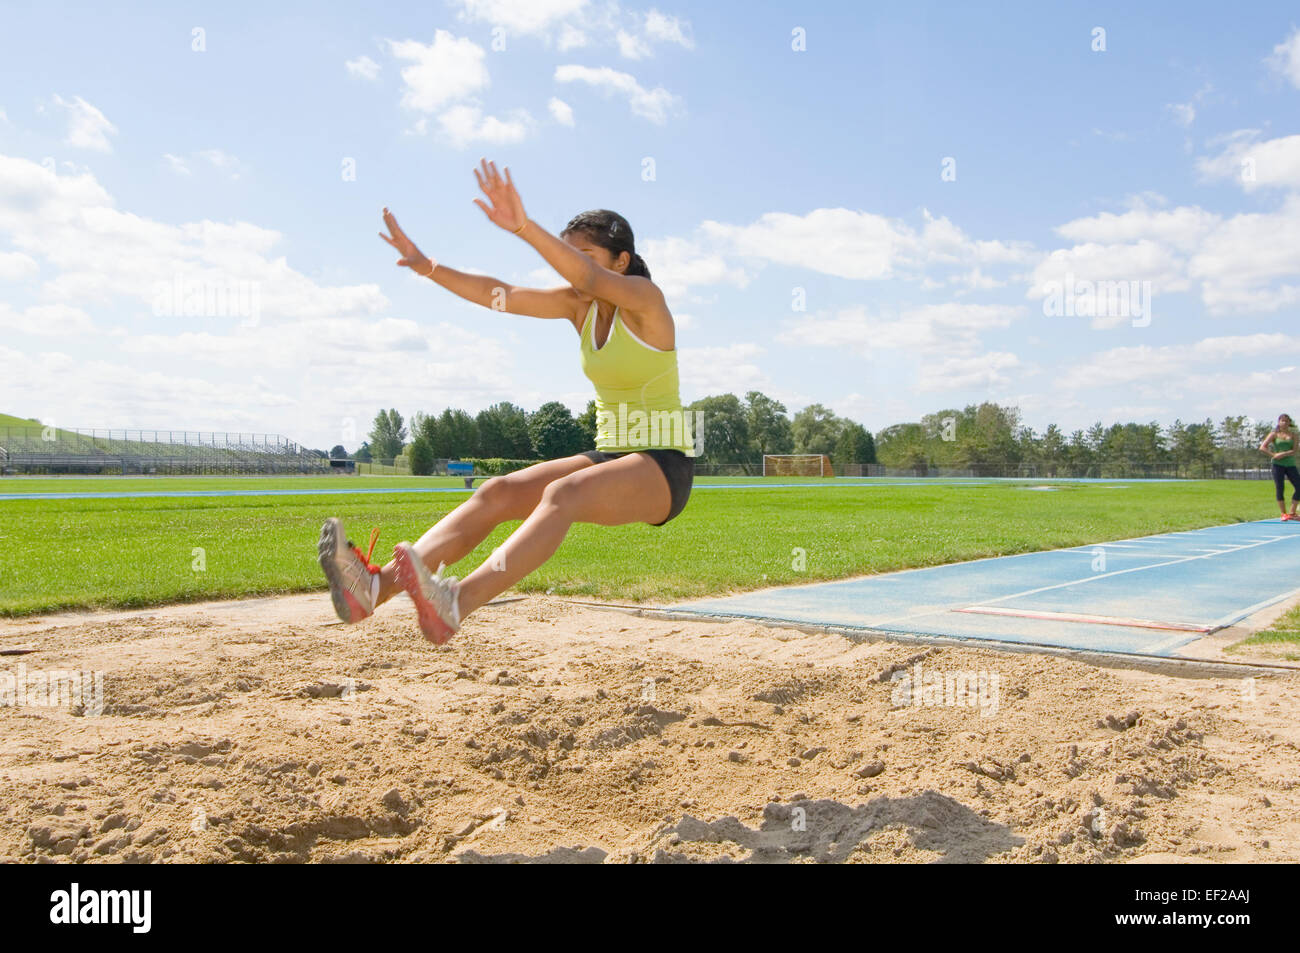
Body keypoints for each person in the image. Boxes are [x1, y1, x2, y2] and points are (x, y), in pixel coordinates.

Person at [318, 159, 697, 643]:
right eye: (566, 252)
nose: (570, 263)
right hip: (611, 453)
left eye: (581, 254)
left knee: (563, 495)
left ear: (621, 260)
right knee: (497, 491)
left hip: (663, 466)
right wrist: (429, 267)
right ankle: (374, 588)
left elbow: (588, 277)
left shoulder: (646, 300)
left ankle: (457, 602)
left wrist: (522, 226)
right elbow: (503, 295)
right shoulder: (577, 307)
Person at [1259, 413, 1300, 520]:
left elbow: (1295, 450)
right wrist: (1274, 455)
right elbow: (1262, 447)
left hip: (1290, 464)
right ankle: (1284, 514)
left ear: (1289, 423)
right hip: (1277, 465)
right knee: (1280, 488)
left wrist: (1284, 454)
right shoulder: (1274, 434)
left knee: (1299, 487)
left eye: (1286, 421)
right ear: (1279, 422)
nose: (1284, 423)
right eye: (1282, 420)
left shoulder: (1294, 435)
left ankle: (1292, 512)